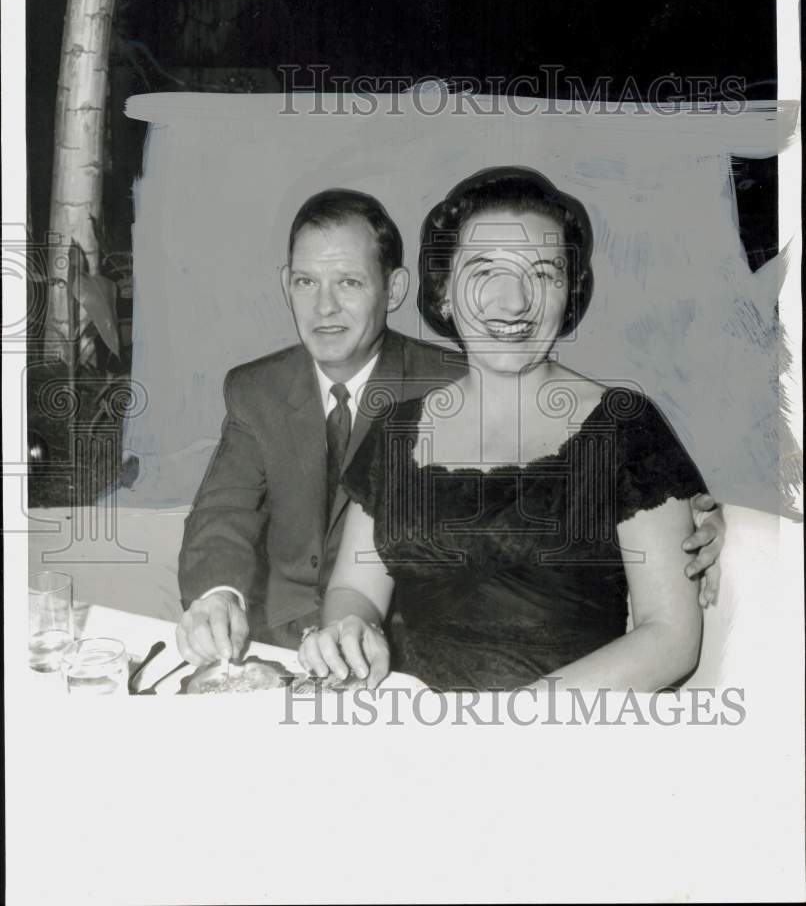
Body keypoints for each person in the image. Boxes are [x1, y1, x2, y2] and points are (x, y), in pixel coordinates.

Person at [177, 184, 724, 668]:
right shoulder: (389, 423)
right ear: (444, 291)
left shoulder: (616, 421)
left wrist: (709, 518)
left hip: (556, 725)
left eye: (542, 272)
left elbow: (667, 624)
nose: (513, 303)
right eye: (484, 272)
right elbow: (234, 523)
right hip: (357, 688)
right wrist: (325, 621)